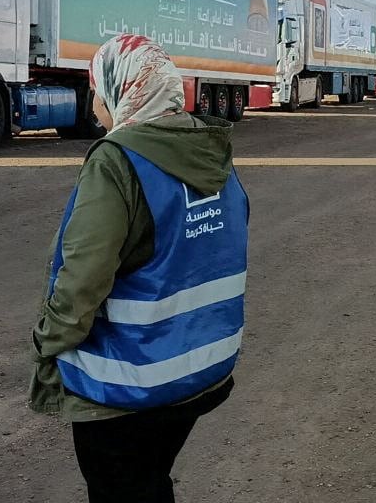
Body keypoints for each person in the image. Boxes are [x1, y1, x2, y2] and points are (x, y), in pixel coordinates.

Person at [30, 34, 246, 503]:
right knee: (147, 482)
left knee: (120, 488)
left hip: (129, 382)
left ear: (120, 90)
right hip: (200, 369)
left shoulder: (118, 161)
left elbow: (83, 276)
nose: (94, 107)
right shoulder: (211, 151)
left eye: (97, 93)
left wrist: (48, 341)